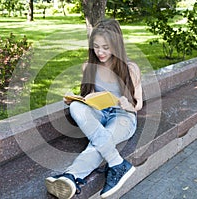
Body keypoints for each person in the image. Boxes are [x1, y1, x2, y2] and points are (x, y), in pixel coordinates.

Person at [45, 18, 143, 199]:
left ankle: (71, 177)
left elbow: (139, 104)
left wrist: (127, 104)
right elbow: (90, 96)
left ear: (116, 45)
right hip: (99, 113)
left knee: (98, 143)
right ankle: (118, 163)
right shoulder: (88, 67)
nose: (100, 52)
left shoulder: (130, 68)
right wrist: (79, 100)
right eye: (96, 47)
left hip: (123, 116)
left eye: (106, 47)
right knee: (76, 106)